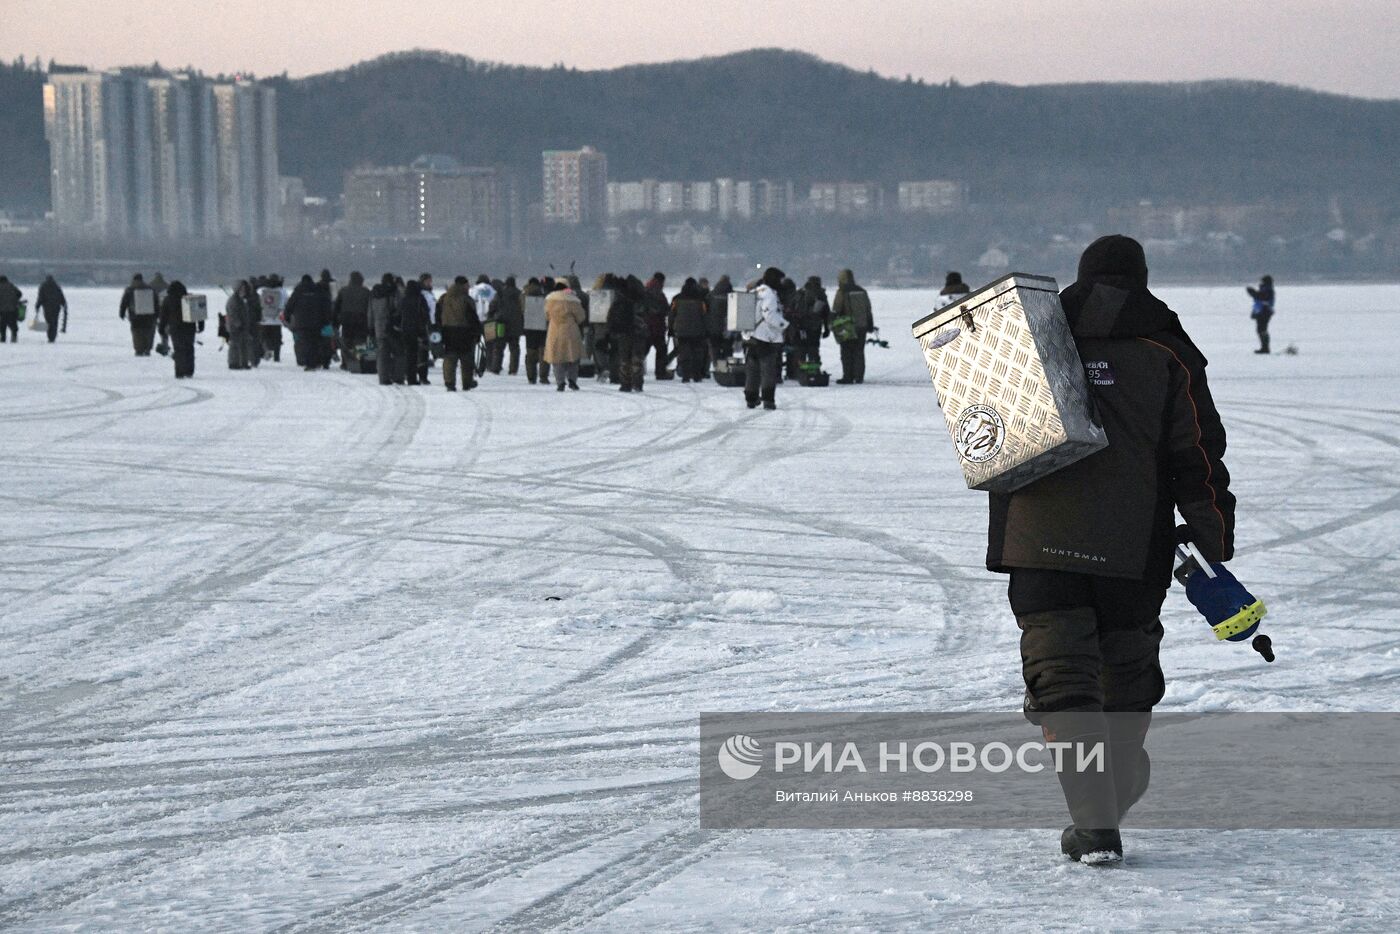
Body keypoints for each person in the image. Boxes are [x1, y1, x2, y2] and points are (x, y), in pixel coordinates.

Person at [986, 235, 1236, 863]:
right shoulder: (1168, 350)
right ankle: (1109, 798)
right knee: (1123, 674)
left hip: (1037, 536)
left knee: (1061, 673)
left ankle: (1095, 819)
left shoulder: (1033, 337)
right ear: (1142, 280)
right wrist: (1211, 532)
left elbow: (985, 428)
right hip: (1133, 544)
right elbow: (1198, 453)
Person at [744, 267, 790, 410]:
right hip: (766, 337)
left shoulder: (756, 291)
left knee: (752, 370)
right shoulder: (769, 295)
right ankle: (768, 399)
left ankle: (751, 398)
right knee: (768, 370)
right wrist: (784, 324)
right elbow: (770, 315)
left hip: (751, 336)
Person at [435, 276, 481, 392]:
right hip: (465, 332)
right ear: (463, 285)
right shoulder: (466, 299)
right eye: (467, 285)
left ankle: (449, 383)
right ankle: (467, 382)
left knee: (450, 358)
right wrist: (477, 331)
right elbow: (472, 317)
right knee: (466, 359)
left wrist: (440, 328)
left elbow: (437, 315)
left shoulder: (444, 298)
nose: (469, 287)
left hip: (448, 331)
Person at [831, 269, 874, 384]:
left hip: (847, 326)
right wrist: (870, 324)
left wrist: (831, 321)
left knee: (846, 351)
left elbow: (836, 308)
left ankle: (848, 376)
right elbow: (868, 309)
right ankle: (859, 376)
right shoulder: (862, 291)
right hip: (862, 325)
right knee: (859, 351)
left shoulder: (842, 291)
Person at [544, 279, 586, 391]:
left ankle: (560, 382)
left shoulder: (549, 300)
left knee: (557, 358)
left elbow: (546, 316)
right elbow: (581, 317)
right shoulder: (573, 300)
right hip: (571, 331)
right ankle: (572, 380)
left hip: (554, 331)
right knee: (573, 357)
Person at [607, 274, 647, 393]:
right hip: (639, 332)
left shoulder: (620, 299)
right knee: (637, 359)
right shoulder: (642, 298)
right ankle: (637, 383)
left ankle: (625, 384)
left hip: (623, 332)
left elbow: (611, 316)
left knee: (624, 359)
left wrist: (612, 330)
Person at [157, 281, 202, 378]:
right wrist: (201, 325)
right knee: (189, 349)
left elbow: (163, 316)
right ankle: (189, 371)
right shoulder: (189, 298)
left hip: (176, 328)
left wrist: (161, 328)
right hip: (190, 328)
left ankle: (180, 372)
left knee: (179, 350)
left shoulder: (168, 300)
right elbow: (199, 312)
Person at [789, 275, 831, 380]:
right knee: (813, 349)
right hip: (814, 327)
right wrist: (827, 328)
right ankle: (814, 370)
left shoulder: (799, 293)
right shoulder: (821, 295)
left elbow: (791, 309)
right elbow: (826, 313)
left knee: (800, 350)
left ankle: (798, 372)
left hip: (800, 326)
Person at [669, 278, 709, 383]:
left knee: (684, 353)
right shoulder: (701, 299)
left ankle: (686, 375)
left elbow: (671, 315)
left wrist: (670, 328)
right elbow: (705, 316)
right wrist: (706, 329)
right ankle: (697, 375)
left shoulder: (676, 299)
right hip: (698, 330)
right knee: (697, 353)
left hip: (682, 331)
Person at [285, 274, 326, 371]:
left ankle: (309, 363)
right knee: (315, 342)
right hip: (317, 321)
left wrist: (287, 317)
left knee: (305, 343)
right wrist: (326, 319)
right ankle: (316, 361)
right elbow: (325, 305)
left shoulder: (298, 291)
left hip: (301, 322)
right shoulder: (318, 290)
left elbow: (290, 305)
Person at [371, 274, 404, 385]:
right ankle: (398, 377)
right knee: (399, 352)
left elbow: (370, 312)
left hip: (378, 327)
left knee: (382, 354)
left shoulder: (374, 293)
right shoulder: (394, 292)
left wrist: (370, 326)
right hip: (391, 327)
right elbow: (399, 308)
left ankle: (383, 378)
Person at [334, 271, 371, 368]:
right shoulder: (366, 292)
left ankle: (346, 362)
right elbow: (369, 307)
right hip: (362, 320)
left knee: (347, 341)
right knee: (360, 341)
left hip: (346, 319)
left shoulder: (343, 291)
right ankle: (360, 361)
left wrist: (336, 321)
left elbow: (337, 307)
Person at [520, 276, 552, 384]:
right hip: (543, 326)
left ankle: (531, 377)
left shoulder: (523, 295)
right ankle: (543, 377)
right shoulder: (545, 294)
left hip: (529, 326)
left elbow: (521, 309)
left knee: (530, 352)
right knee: (544, 352)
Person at [119, 273, 159, 355]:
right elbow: (156, 302)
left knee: (137, 333)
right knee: (148, 332)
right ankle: (147, 348)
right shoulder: (150, 289)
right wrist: (156, 314)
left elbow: (124, 302)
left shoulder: (130, 289)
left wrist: (122, 313)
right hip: (149, 315)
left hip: (135, 316)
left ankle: (139, 349)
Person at [224, 280, 259, 369]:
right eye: (242, 289)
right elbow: (232, 314)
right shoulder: (233, 300)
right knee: (235, 346)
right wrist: (238, 324)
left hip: (244, 326)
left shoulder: (243, 300)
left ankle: (244, 362)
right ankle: (233, 363)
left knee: (244, 345)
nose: (243, 291)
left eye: (244, 289)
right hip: (235, 327)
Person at [644, 272, 672, 379]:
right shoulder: (659, 294)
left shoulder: (645, 290)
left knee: (642, 351)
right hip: (657, 327)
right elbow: (666, 309)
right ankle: (660, 373)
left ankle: (633, 371)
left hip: (645, 326)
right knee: (661, 350)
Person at [707, 274, 734, 374]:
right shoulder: (732, 295)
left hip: (713, 326)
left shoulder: (712, 294)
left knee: (715, 348)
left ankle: (719, 367)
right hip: (728, 325)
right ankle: (727, 367)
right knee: (728, 348)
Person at [259, 274, 286, 362]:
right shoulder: (282, 291)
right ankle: (276, 357)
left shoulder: (262, 290)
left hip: (264, 319)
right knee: (277, 340)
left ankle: (266, 351)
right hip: (277, 319)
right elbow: (286, 303)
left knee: (264, 338)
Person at [1247, 275, 1274, 354]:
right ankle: (1264, 347)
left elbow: (1262, 298)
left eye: (1262, 281)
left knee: (1262, 330)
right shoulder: (1264, 289)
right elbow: (1258, 299)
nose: (1260, 283)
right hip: (1261, 311)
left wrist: (1253, 293)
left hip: (1265, 312)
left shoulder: (1268, 290)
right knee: (1260, 330)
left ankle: (1265, 348)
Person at [37, 275, 67, 343]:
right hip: (56, 307)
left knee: (49, 322)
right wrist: (64, 304)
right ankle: (53, 336)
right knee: (55, 322)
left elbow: (41, 297)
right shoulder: (56, 286)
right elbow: (61, 296)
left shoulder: (43, 287)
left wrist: (38, 305)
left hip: (47, 308)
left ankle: (50, 336)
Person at [0, 276, 22, 343]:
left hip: (2, 309)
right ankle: (14, 337)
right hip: (12, 309)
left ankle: (3, 338)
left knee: (2, 324)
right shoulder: (11, 286)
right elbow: (19, 293)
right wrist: (15, 299)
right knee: (13, 324)